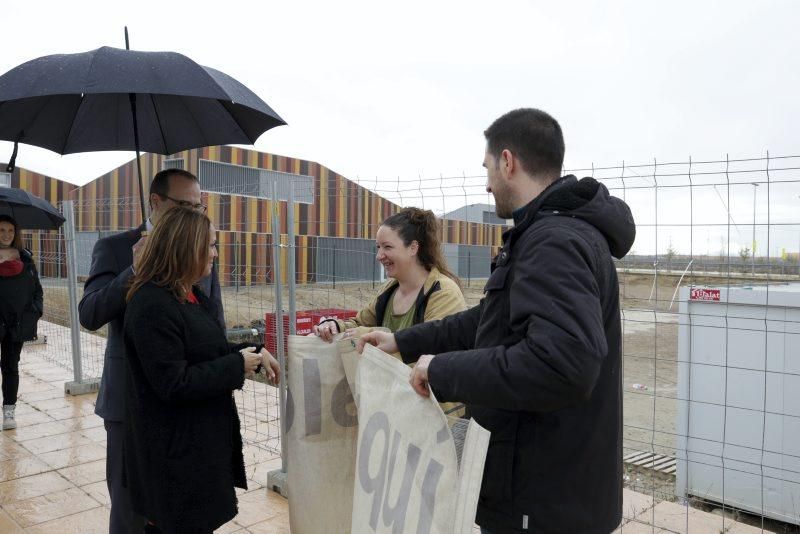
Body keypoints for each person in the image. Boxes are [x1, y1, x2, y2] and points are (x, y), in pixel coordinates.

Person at [359, 108, 636, 533]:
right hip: (545, 488)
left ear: (508, 162)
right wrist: (404, 342)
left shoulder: (553, 242)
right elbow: (489, 320)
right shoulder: (548, 234)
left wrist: (442, 371)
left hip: (542, 498)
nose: (487, 183)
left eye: (487, 168)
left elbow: (561, 364)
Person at [79, 168, 224, 533]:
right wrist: (133, 270)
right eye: (185, 205)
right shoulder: (114, 248)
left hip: (183, 401)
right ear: (156, 202)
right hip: (129, 403)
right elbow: (89, 314)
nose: (195, 213)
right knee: (131, 513)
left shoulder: (199, 247)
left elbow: (214, 324)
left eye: (199, 206)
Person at [123, 207, 279, 533]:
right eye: (209, 245)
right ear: (185, 247)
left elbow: (208, 351)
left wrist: (254, 352)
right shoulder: (151, 305)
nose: (215, 253)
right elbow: (174, 383)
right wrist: (237, 365)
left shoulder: (188, 294)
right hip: (172, 458)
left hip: (196, 451)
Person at [312, 207, 466, 343]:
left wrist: (368, 335)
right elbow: (360, 324)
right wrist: (335, 326)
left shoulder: (443, 293)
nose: (379, 256)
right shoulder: (389, 290)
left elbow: (429, 346)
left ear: (413, 248)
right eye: (378, 247)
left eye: (387, 247)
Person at [0, 214, 43, 430]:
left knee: (10, 367)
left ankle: (9, 411)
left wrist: (33, 313)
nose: (7, 235)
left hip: (16, 324)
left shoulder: (25, 259)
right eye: (1, 230)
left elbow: (37, 291)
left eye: (10, 230)